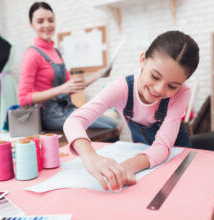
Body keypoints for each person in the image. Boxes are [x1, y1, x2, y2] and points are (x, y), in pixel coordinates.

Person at [63, 30, 200, 192]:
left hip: (176, 153)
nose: (158, 89)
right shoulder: (122, 88)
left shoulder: (183, 93)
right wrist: (90, 156)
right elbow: (74, 120)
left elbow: (163, 147)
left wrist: (127, 166)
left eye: (172, 86)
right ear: (143, 60)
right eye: (155, 76)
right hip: (144, 156)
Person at [19, 2, 119, 131]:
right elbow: (23, 98)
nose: (47, 25)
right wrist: (60, 89)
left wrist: (98, 75)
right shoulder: (31, 55)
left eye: (50, 20)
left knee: (115, 124)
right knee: (111, 127)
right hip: (50, 116)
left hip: (67, 109)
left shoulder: (56, 52)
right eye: (40, 21)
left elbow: (71, 86)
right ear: (31, 25)